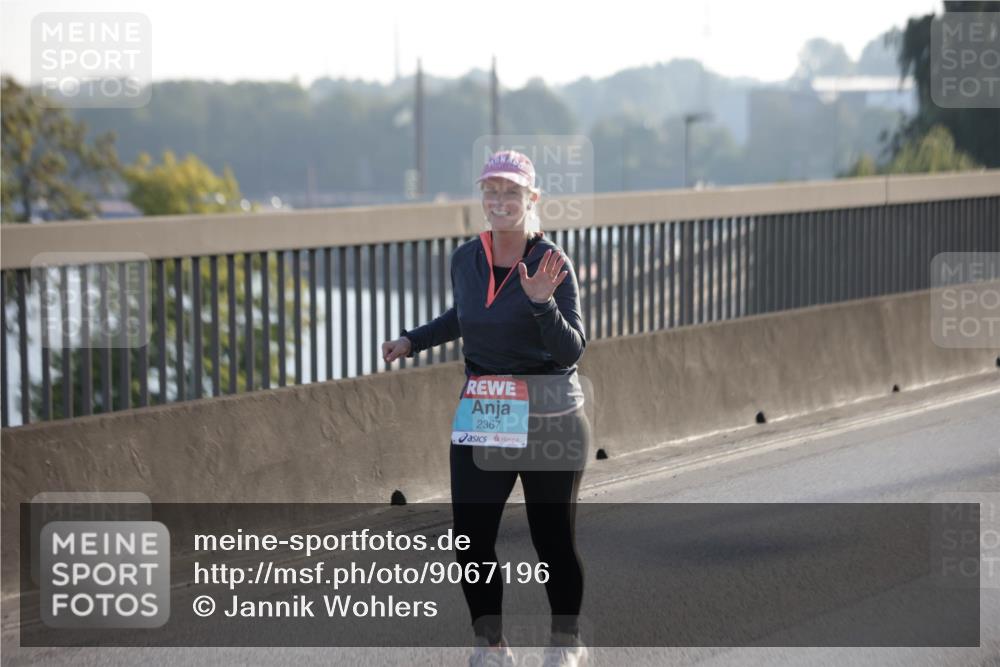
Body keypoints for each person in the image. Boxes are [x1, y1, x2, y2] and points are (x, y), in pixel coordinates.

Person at [382, 149, 591, 667]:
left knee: (551, 540)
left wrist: (542, 304)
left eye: (511, 192)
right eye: (491, 191)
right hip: (487, 409)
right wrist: (412, 340)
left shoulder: (552, 263)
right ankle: (491, 646)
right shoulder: (466, 258)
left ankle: (566, 643)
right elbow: (466, 315)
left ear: (532, 198)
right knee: (471, 540)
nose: (500, 201)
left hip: (548, 415)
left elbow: (571, 349)